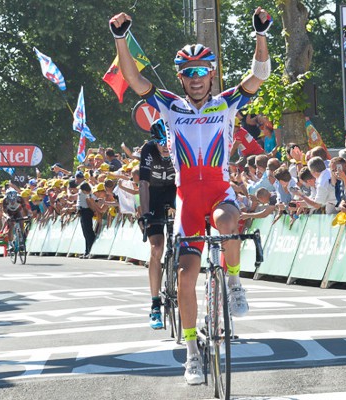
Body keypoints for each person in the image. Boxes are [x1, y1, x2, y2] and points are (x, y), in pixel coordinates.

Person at [109, 6, 271, 385]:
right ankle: (192, 352)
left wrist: (261, 34)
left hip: (218, 189)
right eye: (188, 73)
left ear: (211, 74)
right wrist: (120, 39)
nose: (196, 79)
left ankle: (233, 282)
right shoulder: (169, 104)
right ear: (181, 78)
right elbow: (133, 78)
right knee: (185, 277)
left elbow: (259, 74)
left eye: (202, 72)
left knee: (230, 222)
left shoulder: (227, 102)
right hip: (187, 197)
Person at [138, 119, 176, 330]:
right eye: (159, 141)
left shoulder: (179, 146)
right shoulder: (149, 150)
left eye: (167, 141)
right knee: (157, 248)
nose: (163, 146)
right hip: (153, 195)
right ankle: (154, 304)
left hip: (173, 191)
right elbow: (143, 183)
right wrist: (145, 213)